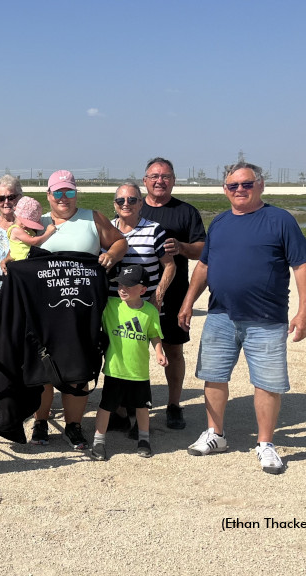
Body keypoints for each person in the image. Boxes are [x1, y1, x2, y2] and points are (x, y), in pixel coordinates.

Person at [178, 162, 306, 475]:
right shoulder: (221, 222)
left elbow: (303, 267)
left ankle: (265, 444)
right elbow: (204, 266)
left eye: (246, 184)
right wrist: (188, 302)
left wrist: (304, 312)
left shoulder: (279, 220)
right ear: (225, 190)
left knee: (267, 384)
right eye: (232, 186)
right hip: (220, 315)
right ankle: (216, 434)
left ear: (260, 185)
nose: (240, 190)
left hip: (266, 319)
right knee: (214, 376)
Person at [27, 169, 128, 450]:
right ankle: (41, 421)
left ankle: (73, 426)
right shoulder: (38, 223)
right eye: (57, 192)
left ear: (76, 194)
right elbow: (18, 252)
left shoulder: (92, 218)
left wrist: (111, 253)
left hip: (82, 310)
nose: (63, 198)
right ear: (48, 195)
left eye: (69, 192)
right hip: (44, 313)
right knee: (43, 368)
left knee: (79, 368)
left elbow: (120, 240)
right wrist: (8, 261)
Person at [139, 158, 206, 430]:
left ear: (173, 180)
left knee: (174, 351)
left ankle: (174, 404)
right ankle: (132, 405)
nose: (159, 181)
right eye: (154, 176)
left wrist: (182, 247)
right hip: (133, 294)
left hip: (174, 293)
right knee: (131, 349)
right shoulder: (132, 207)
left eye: (165, 176)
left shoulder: (185, 212)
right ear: (145, 180)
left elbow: (202, 249)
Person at [106, 181, 176, 434]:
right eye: (121, 200)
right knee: (116, 357)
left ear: (140, 203)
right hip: (114, 307)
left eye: (132, 200)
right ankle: (121, 412)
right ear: (114, 204)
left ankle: (138, 413)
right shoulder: (108, 228)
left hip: (142, 307)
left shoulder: (154, 230)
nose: (126, 204)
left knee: (138, 360)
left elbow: (169, 265)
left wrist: (157, 296)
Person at [89, 265, 168, 461]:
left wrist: (159, 352)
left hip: (139, 371)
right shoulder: (111, 306)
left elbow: (154, 334)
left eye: (129, 286)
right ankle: (98, 441)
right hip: (115, 369)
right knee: (106, 406)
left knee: (142, 407)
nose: (122, 289)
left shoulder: (150, 311)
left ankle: (143, 439)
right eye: (120, 285)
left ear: (143, 290)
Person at [5, 196, 56, 260]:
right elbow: (34, 241)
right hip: (21, 263)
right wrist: (48, 232)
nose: (28, 227)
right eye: (25, 223)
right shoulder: (16, 230)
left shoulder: (26, 231)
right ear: (16, 216)